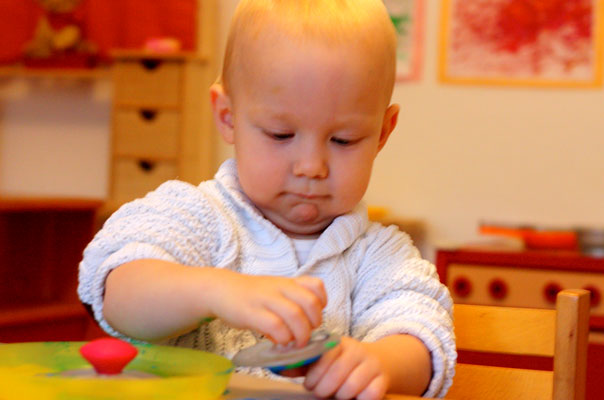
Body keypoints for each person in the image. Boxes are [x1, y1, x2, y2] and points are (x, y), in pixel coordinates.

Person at [78, 0, 456, 398]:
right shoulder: (194, 217)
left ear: (382, 132)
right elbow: (117, 292)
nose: (311, 166)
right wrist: (215, 290)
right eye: (280, 134)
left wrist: (379, 363)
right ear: (228, 116)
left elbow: (424, 336)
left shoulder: (380, 255)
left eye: (343, 140)